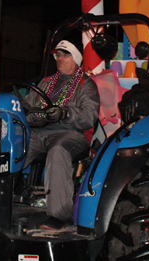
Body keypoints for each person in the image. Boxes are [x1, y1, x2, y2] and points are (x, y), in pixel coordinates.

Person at [22, 39, 99, 230]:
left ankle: (59, 216)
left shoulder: (86, 84)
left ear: (76, 59)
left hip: (71, 133)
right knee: (13, 145)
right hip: (39, 132)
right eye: (58, 55)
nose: (60, 58)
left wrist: (65, 113)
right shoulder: (45, 82)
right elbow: (28, 105)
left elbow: (89, 117)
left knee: (58, 149)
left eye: (65, 54)